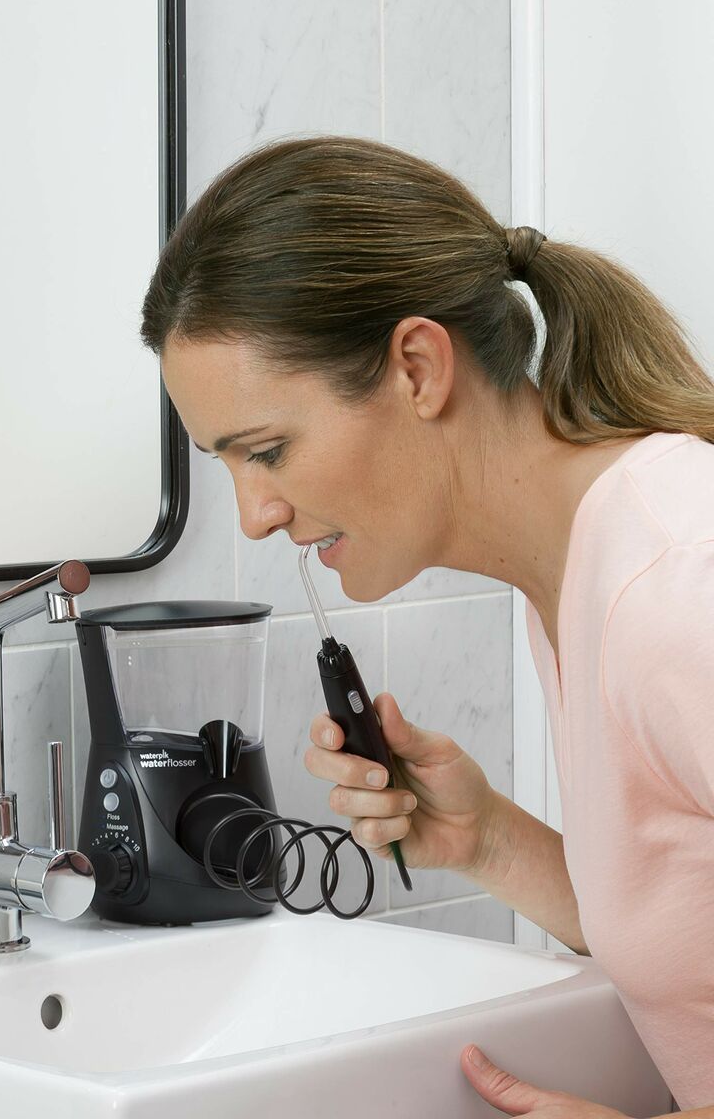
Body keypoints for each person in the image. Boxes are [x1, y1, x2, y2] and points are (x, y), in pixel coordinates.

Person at [141, 136, 714, 1115]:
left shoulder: (677, 587)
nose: (255, 516)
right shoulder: (577, 575)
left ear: (417, 368)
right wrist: (488, 840)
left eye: (267, 451)